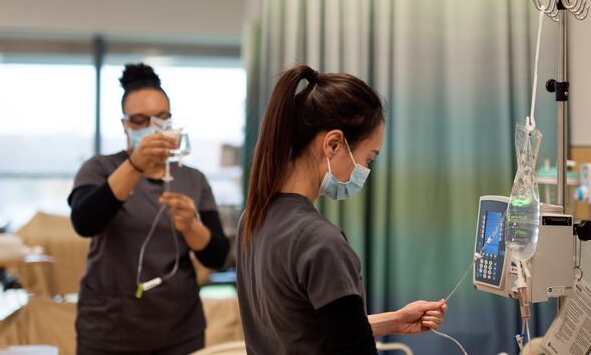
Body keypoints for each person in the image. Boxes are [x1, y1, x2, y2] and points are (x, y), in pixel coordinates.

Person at [236, 65, 447, 355]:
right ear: (334, 144)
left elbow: (304, 328)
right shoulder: (320, 241)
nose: (364, 170)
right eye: (368, 159)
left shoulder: (252, 217)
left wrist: (394, 321)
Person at [68, 63, 230, 354]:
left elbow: (217, 256)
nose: (152, 128)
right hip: (109, 329)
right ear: (126, 125)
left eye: (160, 118)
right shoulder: (100, 169)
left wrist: (192, 227)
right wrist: (135, 165)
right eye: (140, 121)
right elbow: (84, 222)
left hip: (179, 329)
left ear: (171, 120)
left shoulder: (192, 179)